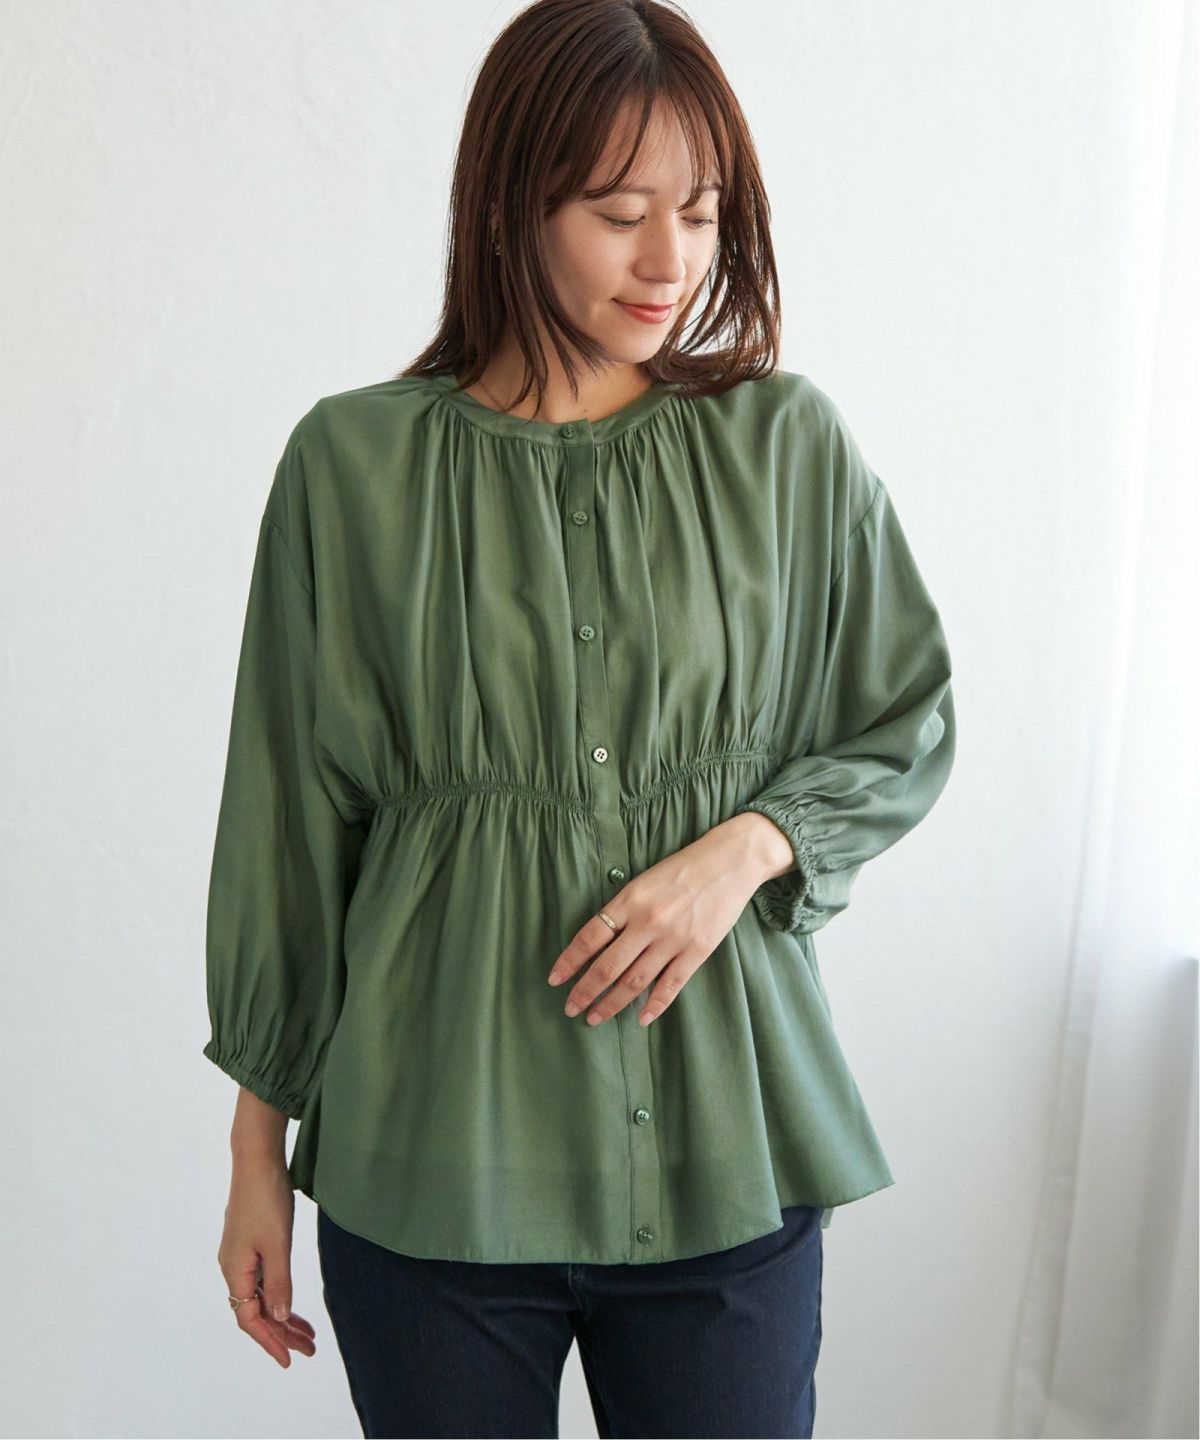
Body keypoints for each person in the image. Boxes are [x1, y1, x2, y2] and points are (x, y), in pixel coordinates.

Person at [204, 1, 957, 1435]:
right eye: (620, 214)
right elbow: (288, 820)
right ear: (513, 203)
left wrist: (747, 845)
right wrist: (256, 1150)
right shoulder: (351, 467)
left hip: (725, 1154)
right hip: (427, 1169)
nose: (671, 260)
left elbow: (903, 716)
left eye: (702, 211)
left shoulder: (782, 445)